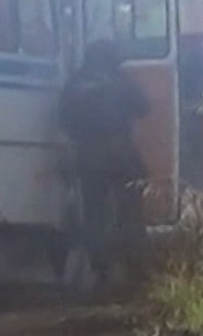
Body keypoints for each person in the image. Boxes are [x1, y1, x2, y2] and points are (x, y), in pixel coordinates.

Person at [59, 40, 150, 285]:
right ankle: (135, 265)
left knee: (94, 214)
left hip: (88, 154)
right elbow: (144, 106)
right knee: (131, 206)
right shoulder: (117, 80)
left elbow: (63, 118)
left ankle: (101, 269)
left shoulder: (75, 83)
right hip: (119, 151)